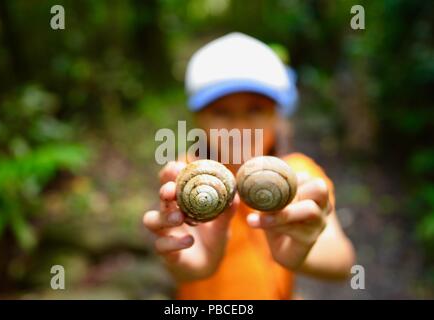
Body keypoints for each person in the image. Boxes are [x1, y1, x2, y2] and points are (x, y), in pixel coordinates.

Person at [143, 33, 355, 299]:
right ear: (198, 120)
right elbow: (179, 258)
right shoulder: (183, 172)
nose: (239, 125)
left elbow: (343, 263)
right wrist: (188, 267)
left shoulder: (301, 175)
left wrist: (304, 248)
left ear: (278, 116)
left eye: (255, 109)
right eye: (221, 111)